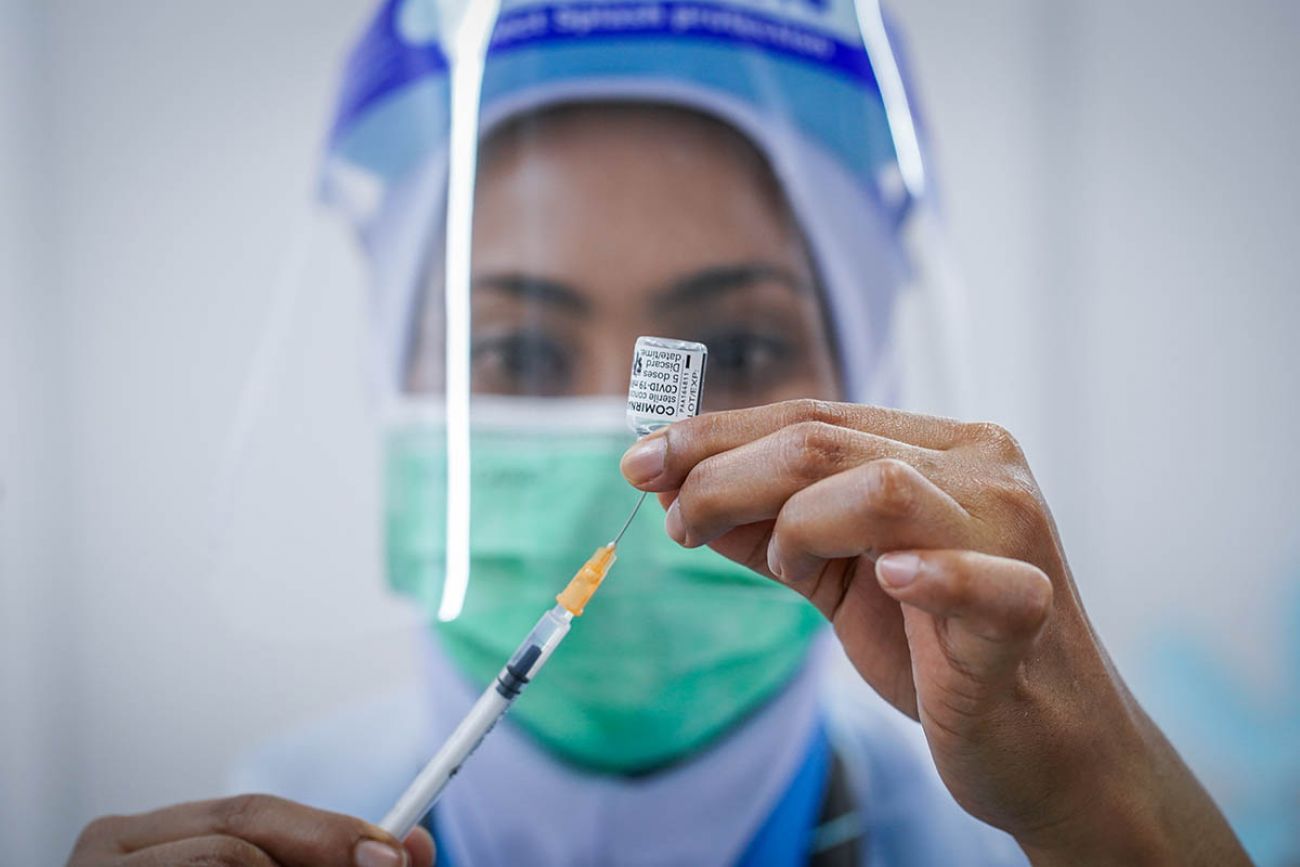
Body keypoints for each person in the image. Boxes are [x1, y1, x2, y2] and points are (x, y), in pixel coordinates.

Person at [66, 1, 1250, 865]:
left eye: (731, 354)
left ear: (863, 381)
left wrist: (1114, 815)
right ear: (398, 382)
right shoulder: (266, 818)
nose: (620, 462)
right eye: (517, 354)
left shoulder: (1035, 840)